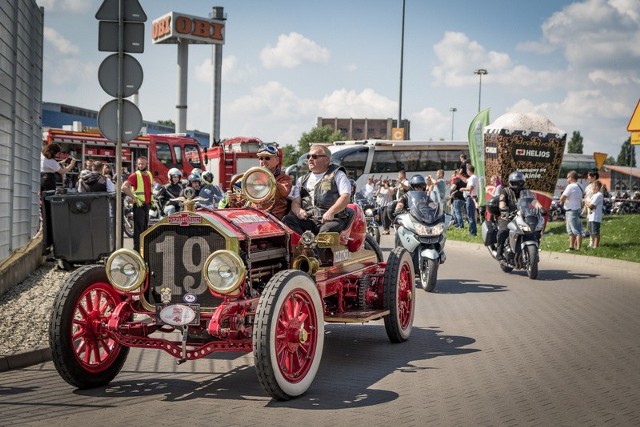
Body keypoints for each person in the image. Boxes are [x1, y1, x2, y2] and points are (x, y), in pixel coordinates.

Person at [282, 144, 352, 235]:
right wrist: (298, 211)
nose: (310, 159)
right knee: (287, 220)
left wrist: (331, 212)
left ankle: (310, 248)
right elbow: (296, 201)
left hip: (333, 220)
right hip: (309, 220)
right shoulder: (302, 180)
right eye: (308, 156)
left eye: (314, 156)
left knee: (325, 231)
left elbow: (345, 197)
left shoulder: (338, 174)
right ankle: (305, 245)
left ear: (326, 160)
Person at [495, 171, 543, 260]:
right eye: (515, 182)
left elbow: (533, 201)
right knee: (503, 231)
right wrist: (503, 208)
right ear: (510, 182)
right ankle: (500, 250)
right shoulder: (505, 191)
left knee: (535, 230)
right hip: (508, 216)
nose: (517, 185)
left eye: (519, 182)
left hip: (523, 215)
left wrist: (541, 208)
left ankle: (534, 250)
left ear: (523, 182)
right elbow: (502, 202)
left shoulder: (526, 191)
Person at [121, 156, 154, 252]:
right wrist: (134, 198)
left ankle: (143, 249)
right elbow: (124, 187)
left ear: (146, 164)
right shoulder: (135, 175)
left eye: (142, 164)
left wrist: (152, 201)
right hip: (138, 205)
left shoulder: (149, 174)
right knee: (138, 229)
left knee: (145, 228)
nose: (140, 165)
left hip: (147, 205)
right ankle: (137, 250)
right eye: (139, 164)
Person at [255, 144, 292, 219]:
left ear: (277, 160)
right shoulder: (254, 177)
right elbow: (244, 200)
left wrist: (269, 177)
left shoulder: (285, 178)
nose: (263, 161)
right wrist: (234, 198)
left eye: (267, 158)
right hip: (254, 215)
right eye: (261, 158)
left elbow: (284, 192)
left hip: (274, 217)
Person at [559, 170, 584, 251]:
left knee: (575, 230)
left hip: (571, 210)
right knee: (571, 231)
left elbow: (562, 198)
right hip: (576, 209)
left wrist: (565, 201)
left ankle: (578, 248)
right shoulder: (580, 185)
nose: (567, 179)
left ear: (571, 178)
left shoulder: (570, 186)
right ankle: (571, 247)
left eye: (567, 177)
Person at [461, 164, 478, 236]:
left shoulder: (472, 178)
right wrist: (459, 175)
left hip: (470, 197)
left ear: (468, 170)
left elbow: (470, 188)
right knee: (471, 215)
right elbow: (465, 180)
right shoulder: (474, 177)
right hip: (473, 197)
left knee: (470, 215)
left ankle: (472, 232)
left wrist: (463, 189)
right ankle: (473, 231)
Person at [586, 180, 604, 249]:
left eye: (592, 186)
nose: (591, 188)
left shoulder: (598, 195)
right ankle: (593, 244)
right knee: (592, 232)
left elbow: (591, 205)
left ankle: (596, 246)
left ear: (596, 187)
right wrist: (588, 204)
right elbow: (589, 204)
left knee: (596, 232)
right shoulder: (594, 195)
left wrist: (588, 204)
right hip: (591, 216)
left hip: (595, 217)